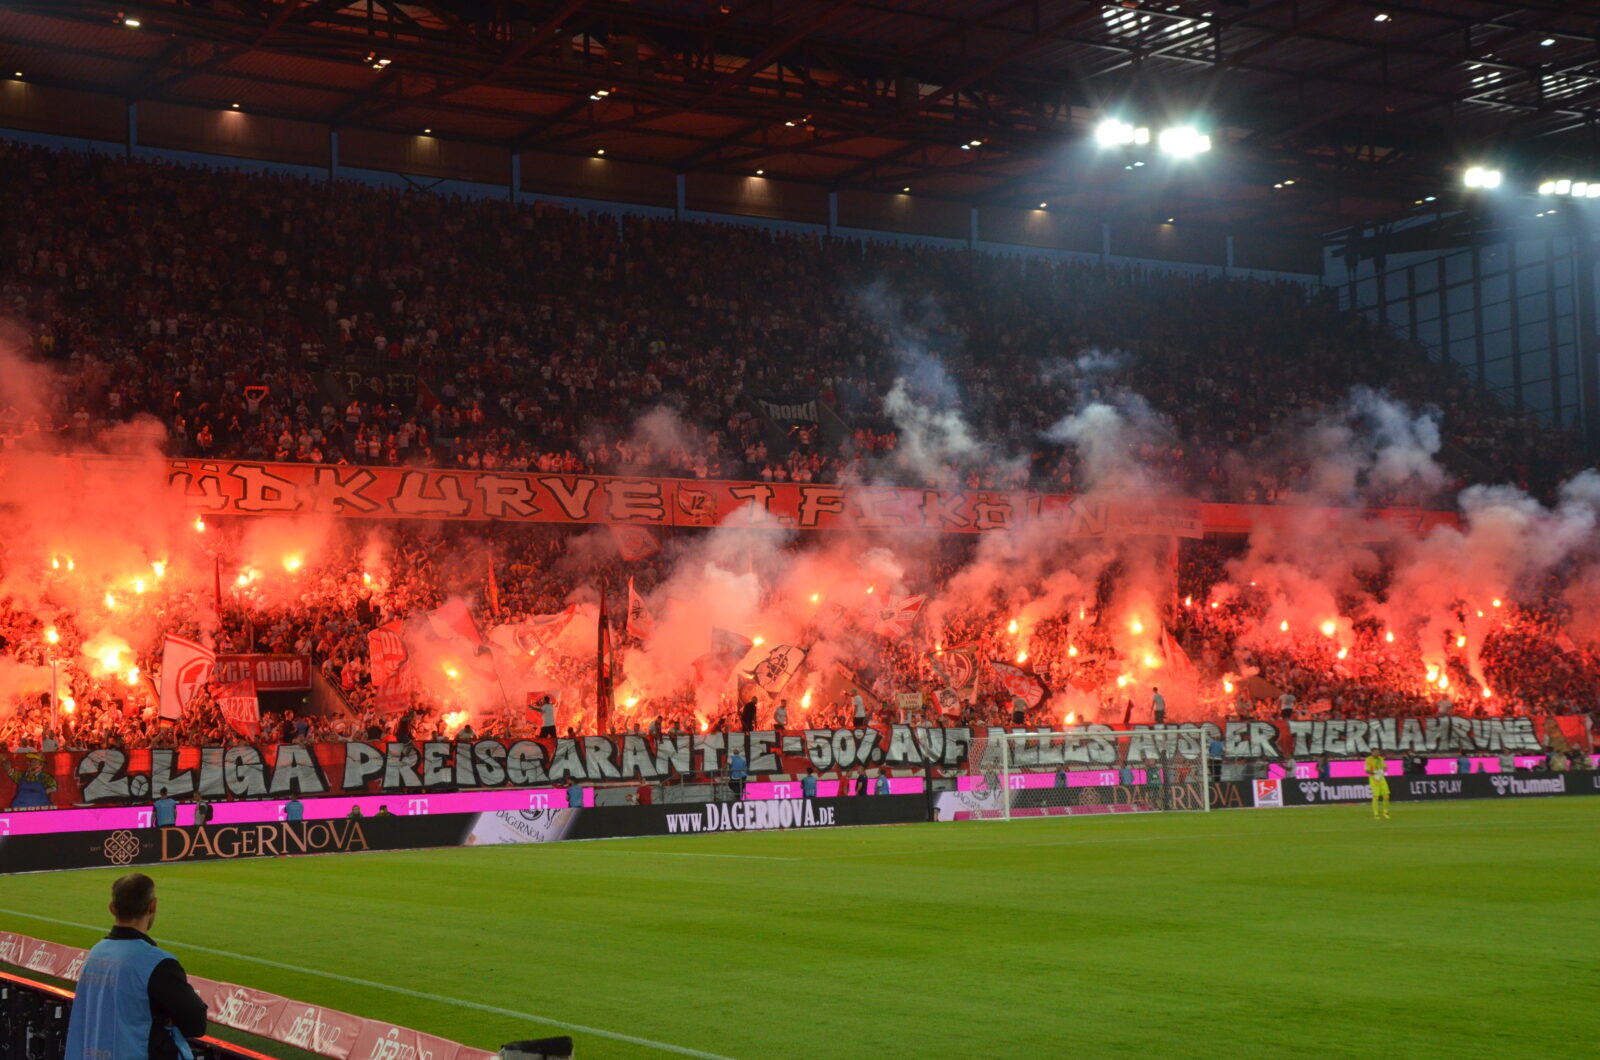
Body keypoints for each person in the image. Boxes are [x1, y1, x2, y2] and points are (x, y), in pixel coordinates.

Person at [63, 872, 207, 1060]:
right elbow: (196, 1024)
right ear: (152, 906)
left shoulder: (95, 953)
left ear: (112, 908)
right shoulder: (156, 963)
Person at [1364, 750, 1391, 819]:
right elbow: (1367, 771)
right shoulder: (1368, 760)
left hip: (1381, 779)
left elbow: (1385, 767)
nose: (1378, 753)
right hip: (1374, 780)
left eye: (1378, 752)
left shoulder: (1380, 758)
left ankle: (1386, 812)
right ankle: (1376, 814)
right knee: (1376, 797)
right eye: (1376, 752)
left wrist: (1383, 770)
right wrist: (1375, 772)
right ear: (1372, 753)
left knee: (1386, 796)